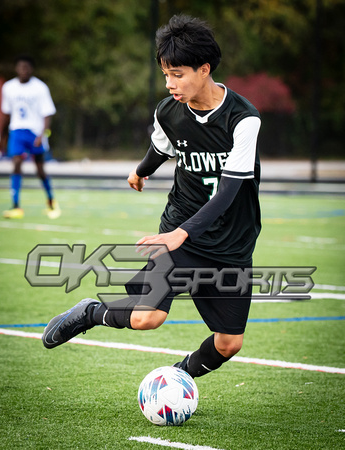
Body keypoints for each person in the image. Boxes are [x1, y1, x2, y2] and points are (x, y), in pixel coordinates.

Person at [42, 14, 261, 379]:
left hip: (231, 243)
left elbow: (229, 191)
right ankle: (89, 313)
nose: (169, 83)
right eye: (165, 74)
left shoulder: (243, 119)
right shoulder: (168, 112)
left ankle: (179, 379)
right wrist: (141, 171)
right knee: (147, 317)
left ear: (204, 69)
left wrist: (184, 232)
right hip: (179, 230)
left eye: (178, 74)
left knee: (228, 344)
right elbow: (162, 148)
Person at [0, 54, 60, 219]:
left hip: (35, 132)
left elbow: (47, 113)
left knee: (40, 170)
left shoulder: (40, 88)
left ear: (31, 69)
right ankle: (16, 205)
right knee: (17, 163)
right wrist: (1, 137)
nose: (23, 70)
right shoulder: (8, 87)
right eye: (20, 67)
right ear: (16, 68)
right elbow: (6, 114)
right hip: (17, 131)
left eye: (26, 67)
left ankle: (51, 201)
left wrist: (43, 134)